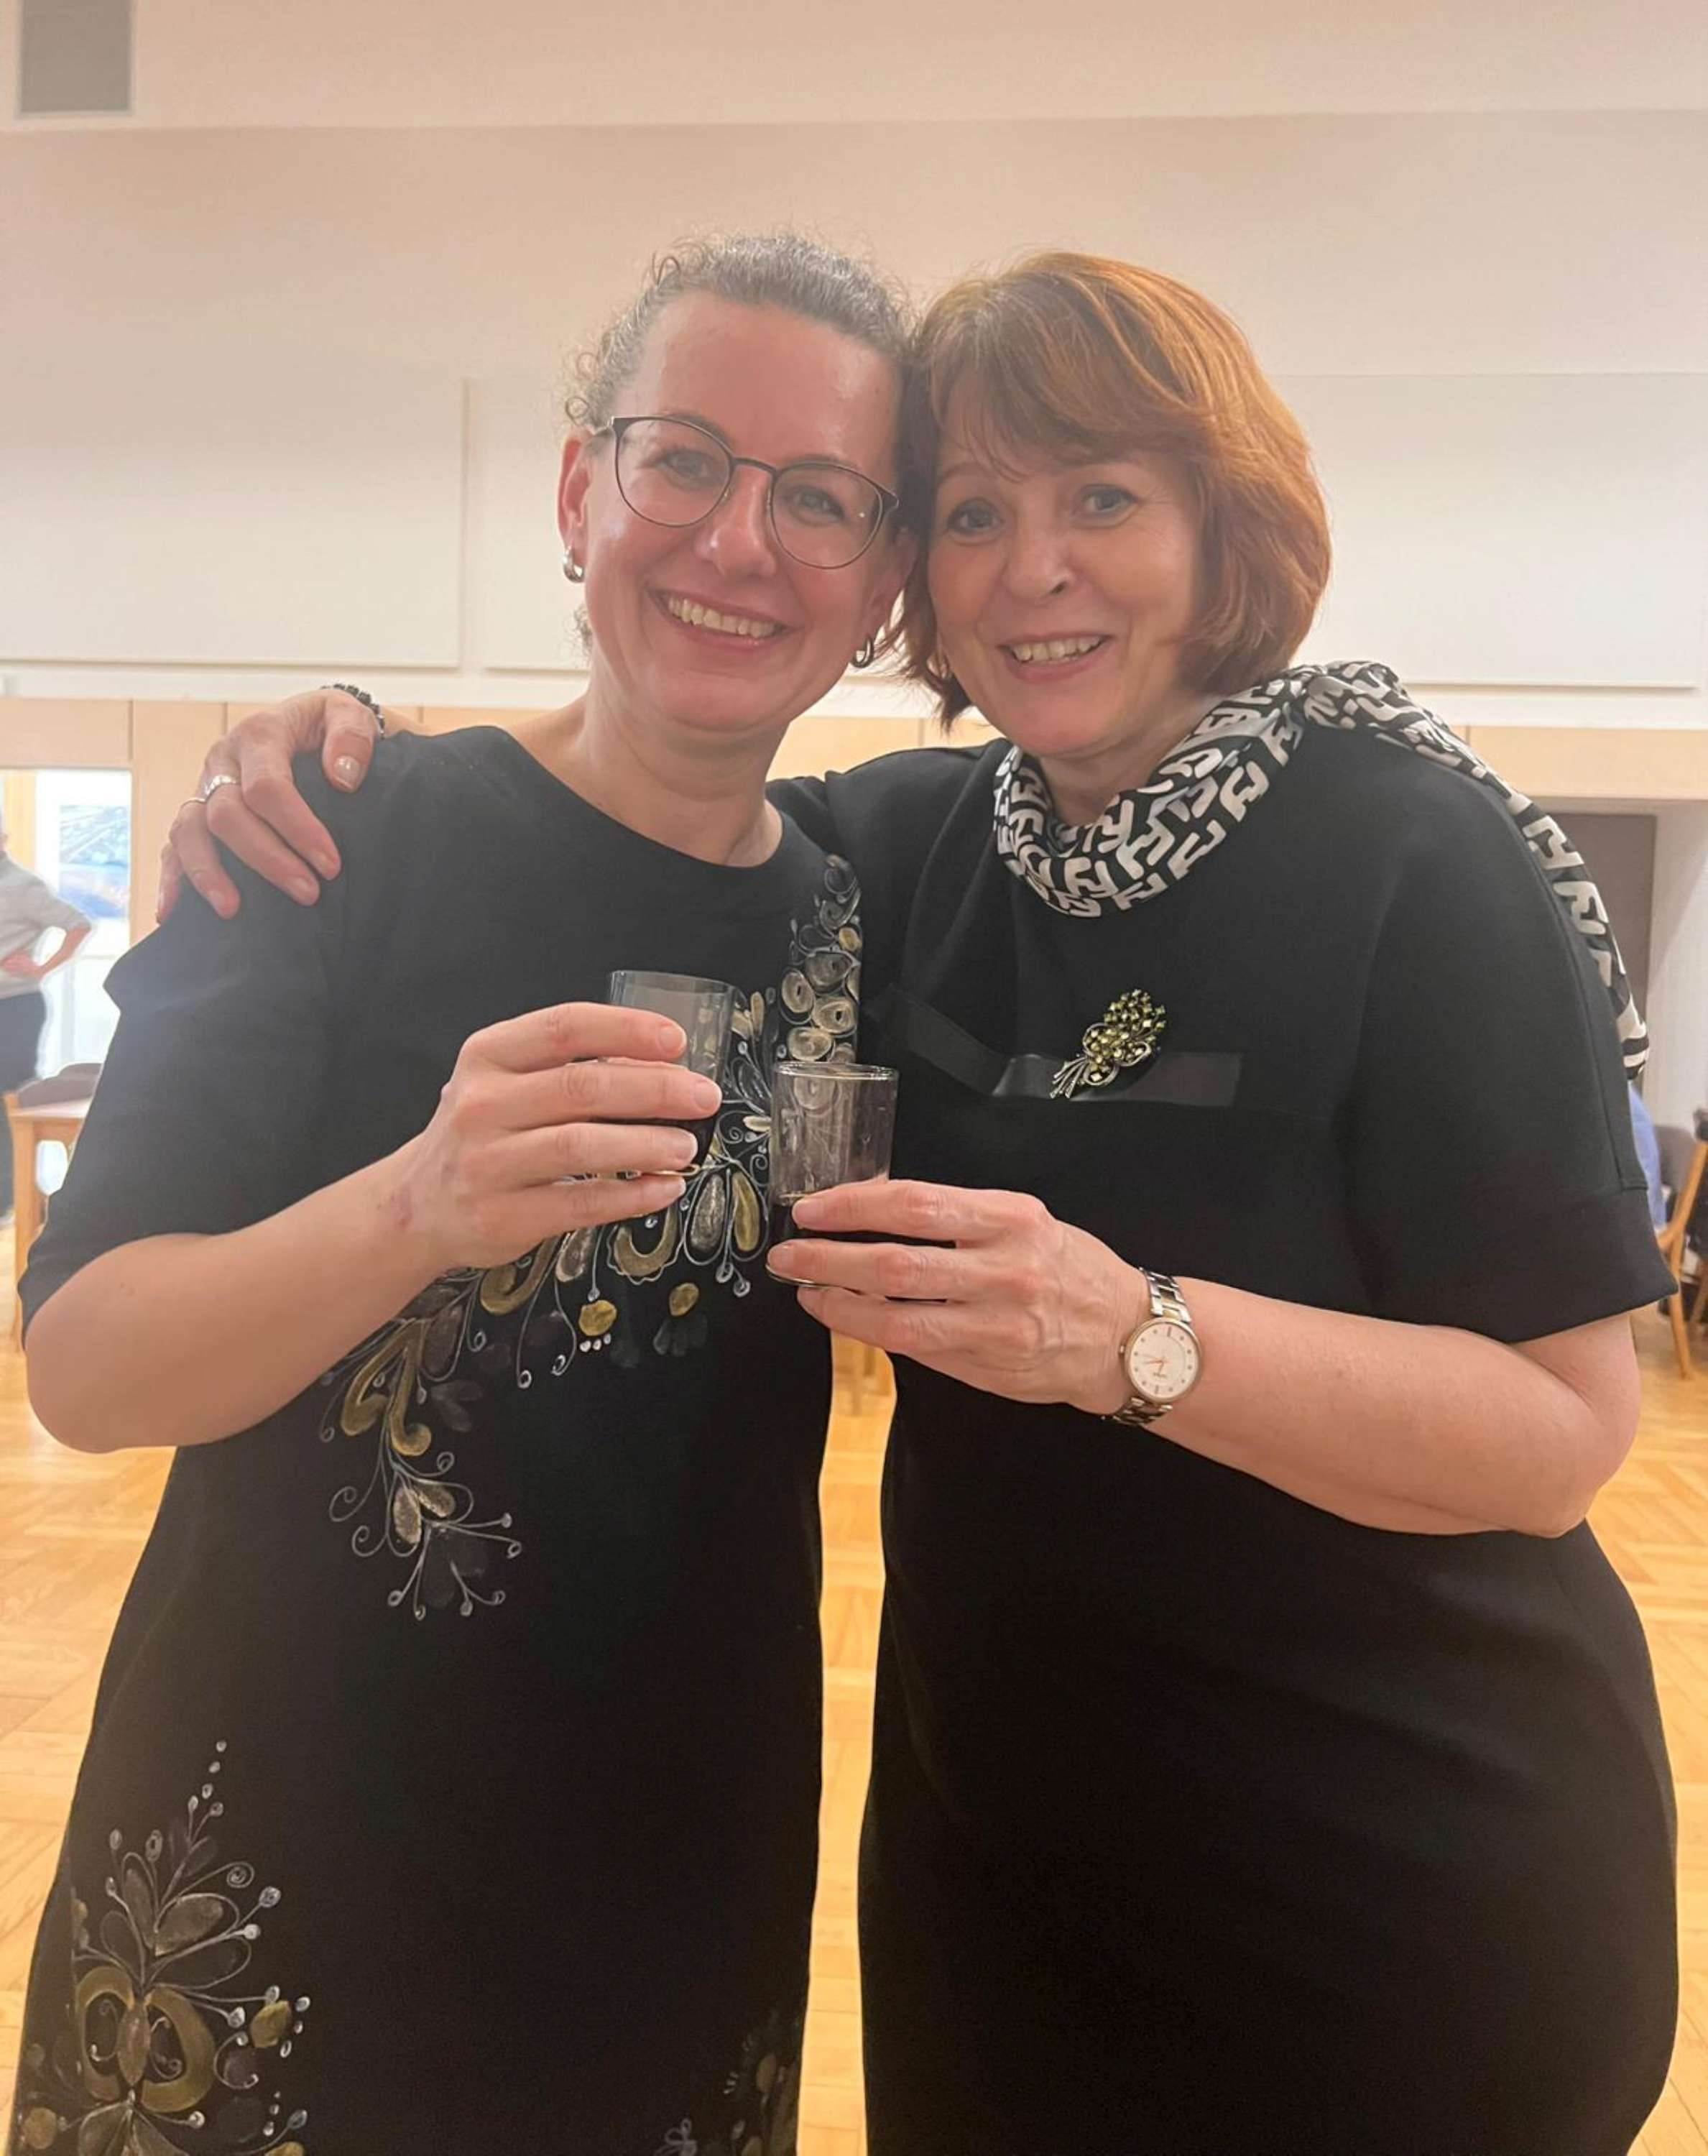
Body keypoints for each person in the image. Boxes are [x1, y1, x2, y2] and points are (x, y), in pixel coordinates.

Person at [159, 254, 1678, 2156]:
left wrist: (1133, 1336)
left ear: (1222, 527)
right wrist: (338, 754)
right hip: (1000, 1862)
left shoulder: (1417, 853)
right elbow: (630, 822)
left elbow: (1560, 1433)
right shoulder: (909, 846)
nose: (1032, 568)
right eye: (971, 513)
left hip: (1385, 1874)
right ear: (915, 580)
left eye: (1101, 498)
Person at [7, 234, 914, 2156]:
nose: (739, 541)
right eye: (683, 460)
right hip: (279, 1878)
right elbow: (84, 1366)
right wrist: (413, 1204)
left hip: (674, 1886)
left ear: (884, 581)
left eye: (821, 497)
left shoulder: (871, 910)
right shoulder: (327, 841)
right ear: (579, 493)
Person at [0, 826, 91, 1215]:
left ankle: (11, 1198)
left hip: (15, 1006)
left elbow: (78, 923)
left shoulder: (22, 886)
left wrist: (41, 968)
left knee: (8, 1098)